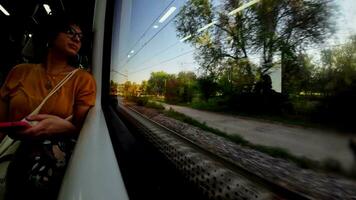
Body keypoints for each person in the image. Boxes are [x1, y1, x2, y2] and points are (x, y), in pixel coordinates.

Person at [0, 16, 96, 199]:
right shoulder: (19, 72)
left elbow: (84, 127)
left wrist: (66, 127)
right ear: (51, 35)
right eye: (70, 32)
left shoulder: (83, 80)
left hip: (49, 168)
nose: (77, 39)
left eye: (80, 37)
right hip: (12, 151)